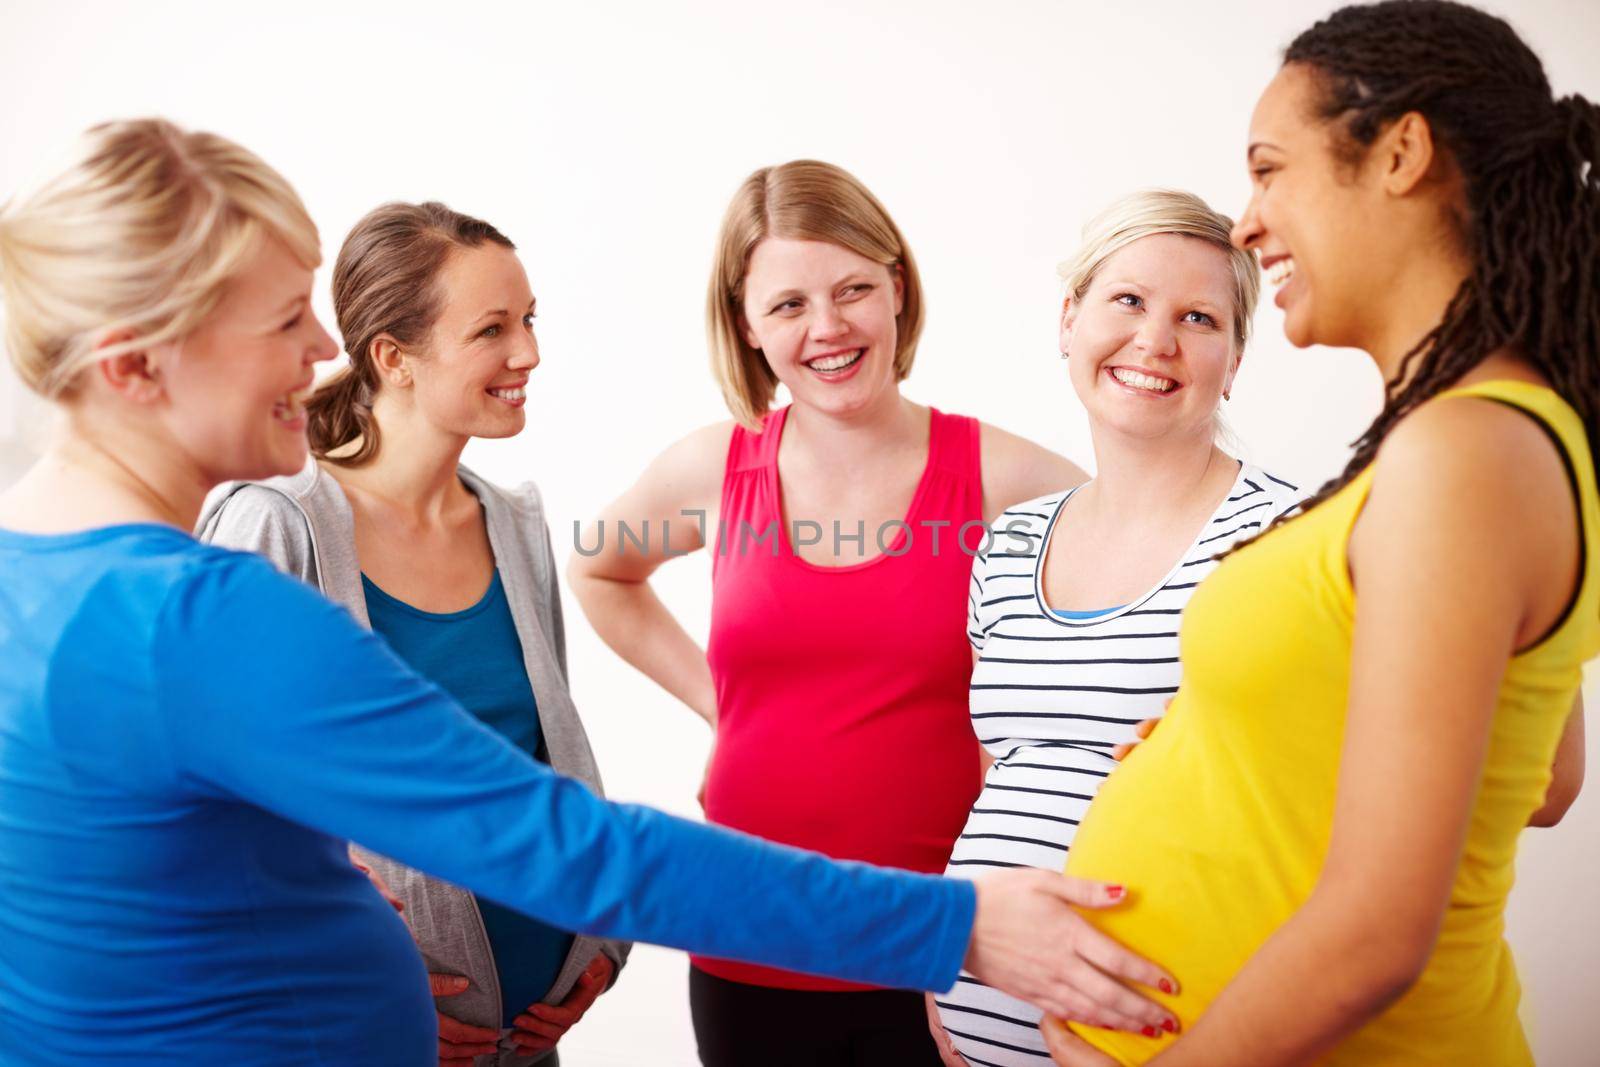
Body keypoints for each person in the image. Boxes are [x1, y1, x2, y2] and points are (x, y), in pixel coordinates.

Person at [0, 118, 1173, 1066]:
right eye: (283, 319)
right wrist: (958, 924)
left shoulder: (31, 578)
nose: (325, 347)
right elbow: (565, 845)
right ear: (133, 363)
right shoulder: (201, 611)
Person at [1042, 3, 1597, 1064]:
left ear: (1399, 153)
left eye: (1268, 169)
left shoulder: (1467, 452)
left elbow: (1375, 936)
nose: (1246, 222)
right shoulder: (1453, 440)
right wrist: (1231, 741)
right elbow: (1532, 767)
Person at [567, 160, 1161, 1065]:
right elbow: (600, 568)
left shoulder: (1008, 481)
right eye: (789, 304)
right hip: (748, 938)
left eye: (853, 289)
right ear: (747, 323)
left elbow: (1150, 616)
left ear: (897, 290)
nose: (829, 327)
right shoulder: (711, 471)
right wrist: (721, 707)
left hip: (946, 949)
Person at [199, 200, 626, 1067]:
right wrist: (344, 974)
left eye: (530, 319)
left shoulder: (514, 525)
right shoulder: (276, 527)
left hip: (530, 1043)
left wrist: (599, 945)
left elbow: (546, 764)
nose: (529, 353)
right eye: (492, 330)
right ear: (393, 358)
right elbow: (209, 813)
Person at [927, 189, 1300, 1067]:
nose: (1155, 339)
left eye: (1198, 317)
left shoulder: (1287, 539)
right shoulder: (1010, 543)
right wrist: (947, 960)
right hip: (969, 1027)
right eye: (1127, 300)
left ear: (1236, 358)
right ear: (1070, 319)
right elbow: (1005, 778)